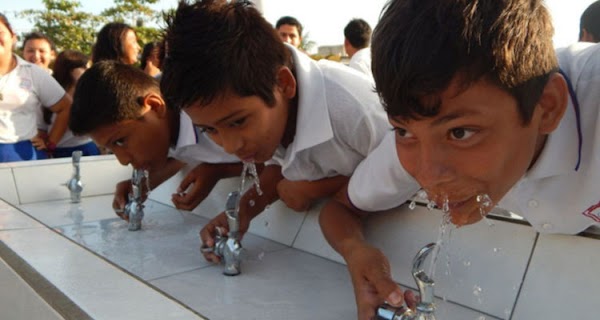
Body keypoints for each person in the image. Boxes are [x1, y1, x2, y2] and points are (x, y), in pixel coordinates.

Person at [319, 0, 600, 318]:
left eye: (461, 133)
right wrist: (356, 252)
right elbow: (339, 209)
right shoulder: (422, 132)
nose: (427, 176)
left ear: (548, 106)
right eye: (401, 130)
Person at [161, 0, 389, 264]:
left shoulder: (353, 108)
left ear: (284, 84)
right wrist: (242, 212)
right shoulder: (270, 112)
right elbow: (280, 167)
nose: (229, 146)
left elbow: (411, 167)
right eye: (209, 130)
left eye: (237, 122)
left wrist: (317, 188)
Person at [69, 61, 245, 216]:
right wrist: (144, 183)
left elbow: (271, 155)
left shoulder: (210, 108)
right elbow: (181, 152)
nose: (123, 160)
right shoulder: (164, 118)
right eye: (110, 148)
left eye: (120, 141)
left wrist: (221, 170)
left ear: (154, 106)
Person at [0, 13, 71, 162]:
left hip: (22, 154)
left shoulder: (33, 72)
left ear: (13, 36)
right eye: (31, 50)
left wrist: (51, 142)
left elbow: (66, 107)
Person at [32, 50, 100, 158]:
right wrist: (44, 143)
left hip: (86, 149)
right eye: (83, 67)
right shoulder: (48, 95)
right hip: (57, 152)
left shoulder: (90, 93)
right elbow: (41, 128)